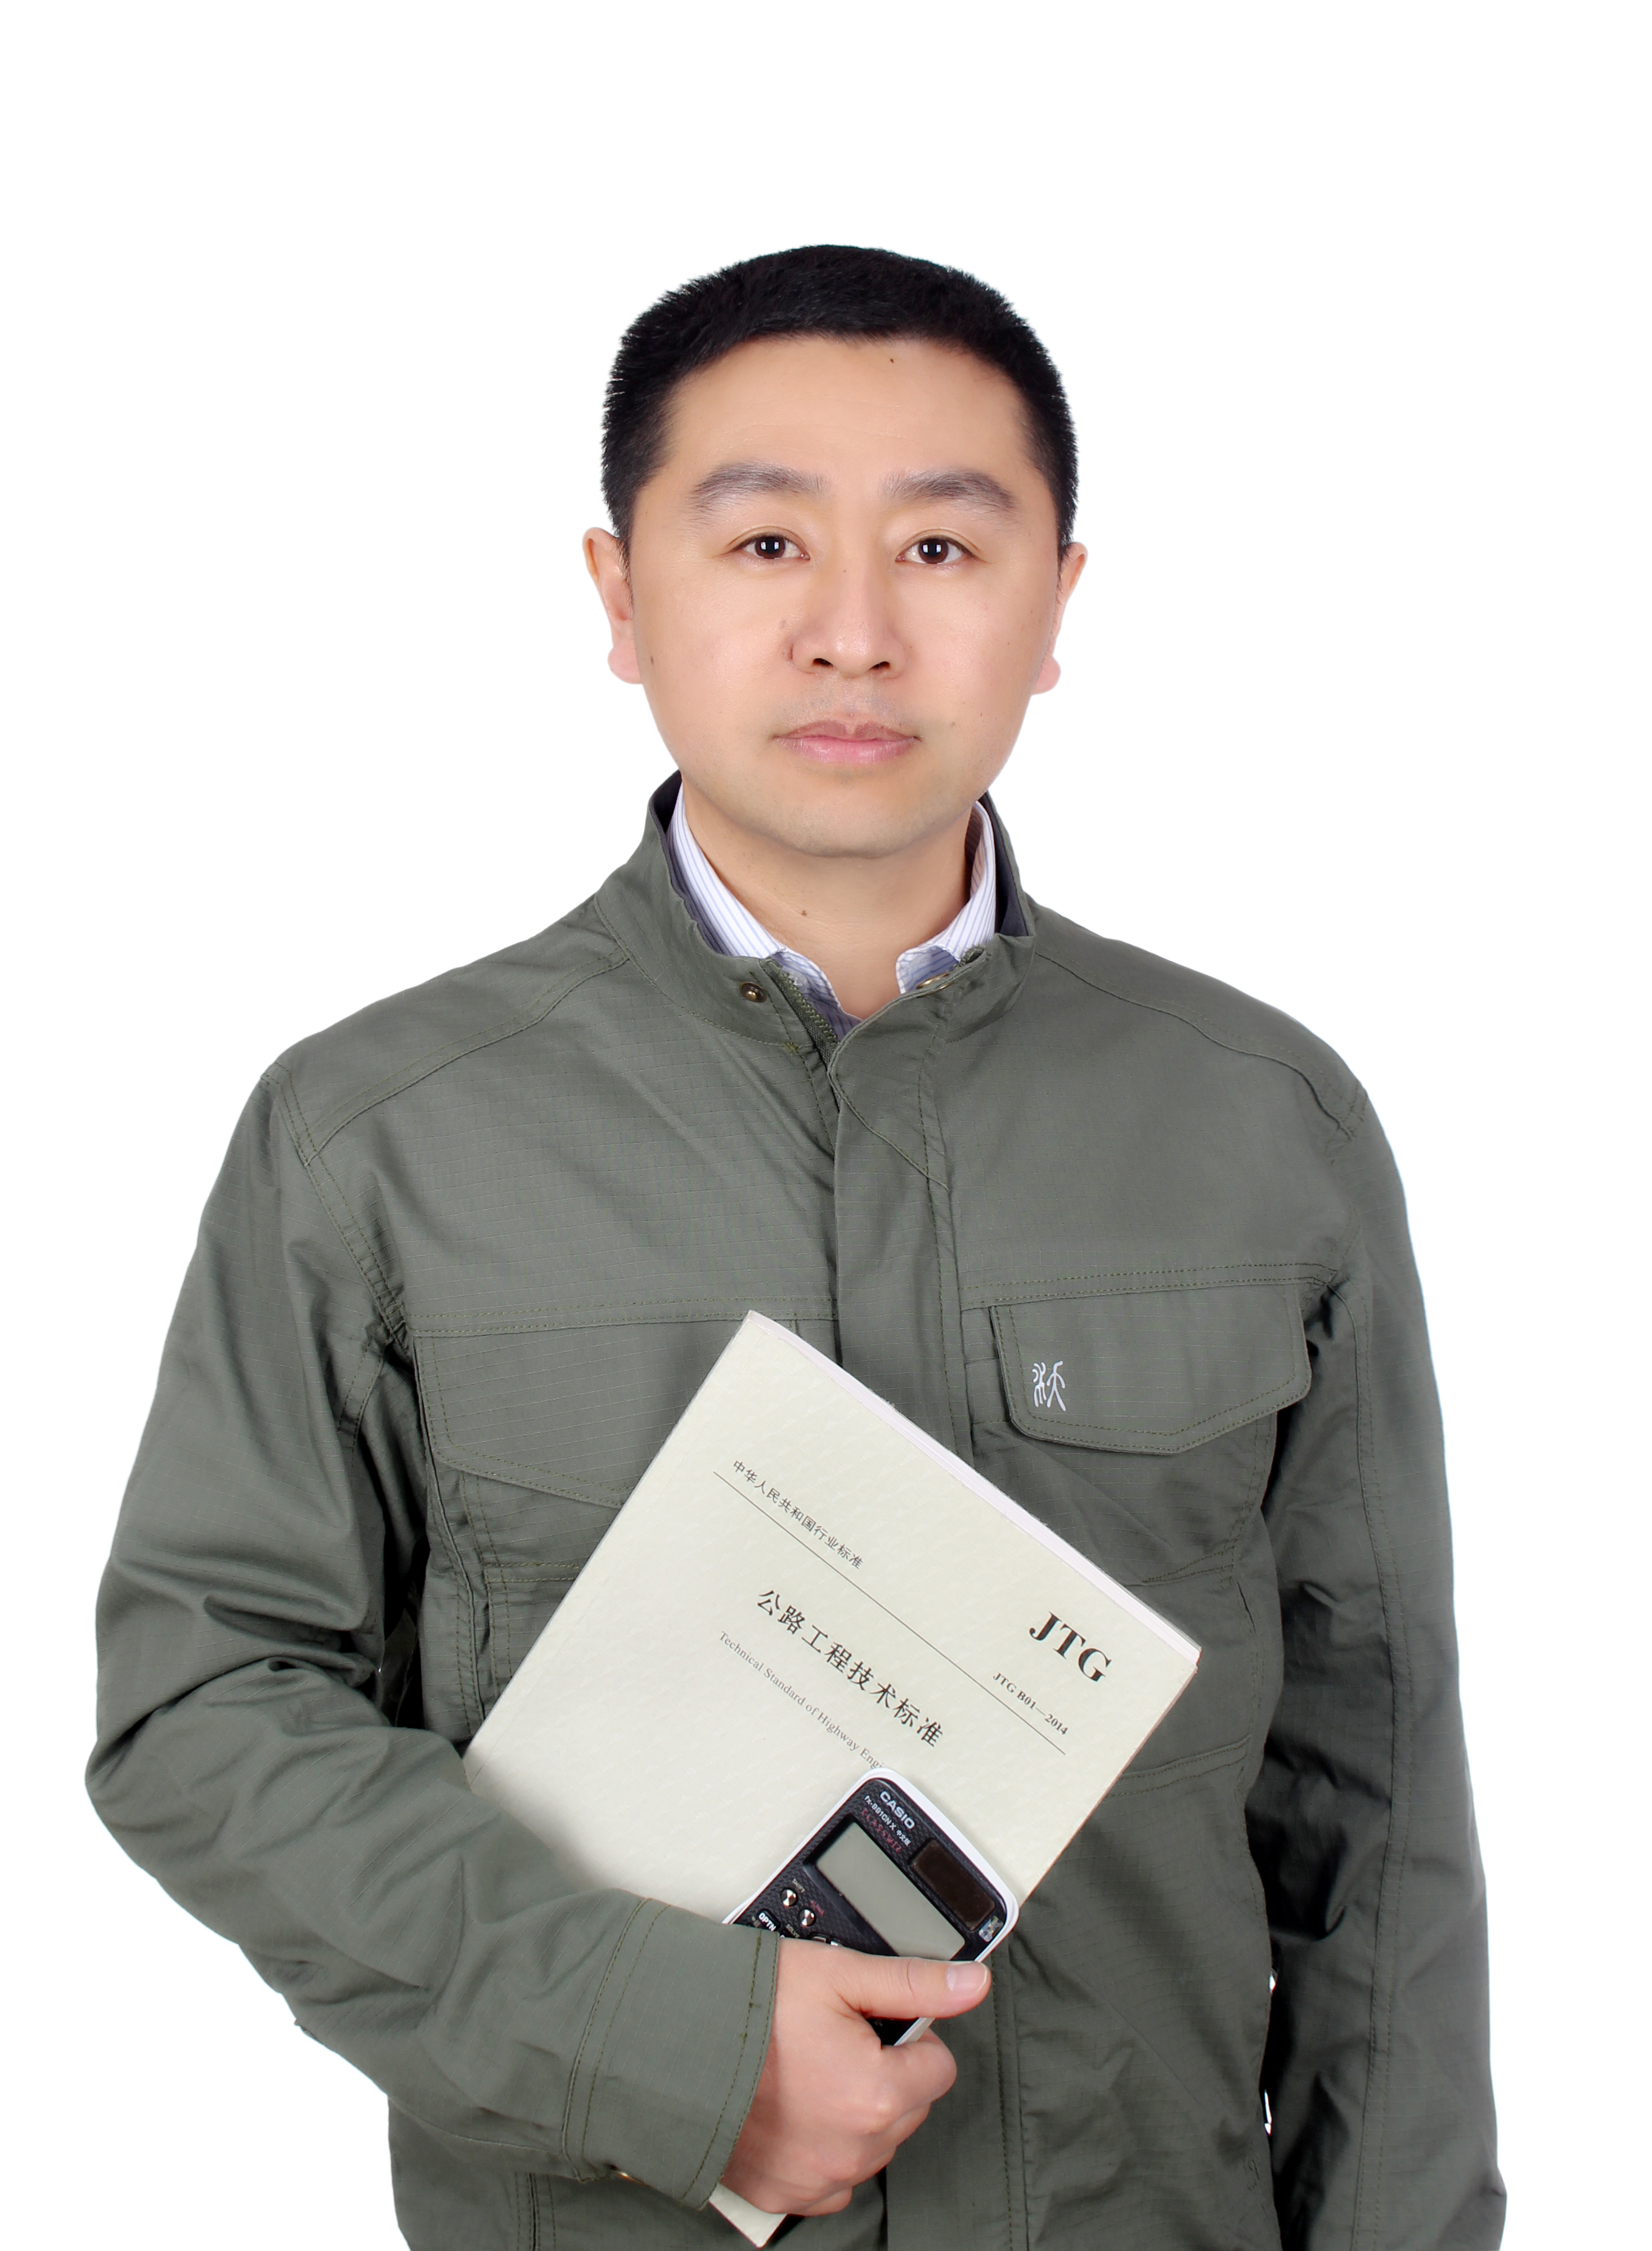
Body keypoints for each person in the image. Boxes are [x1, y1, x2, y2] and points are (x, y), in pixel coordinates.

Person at [89, 244, 1505, 2250]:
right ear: (619, 596)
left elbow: (1379, 1807)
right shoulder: (377, 1138)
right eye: (765, 541)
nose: (854, 633)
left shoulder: (1264, 1125)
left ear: (1055, 605)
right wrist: (663, 2044)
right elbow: (209, 1707)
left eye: (940, 548)